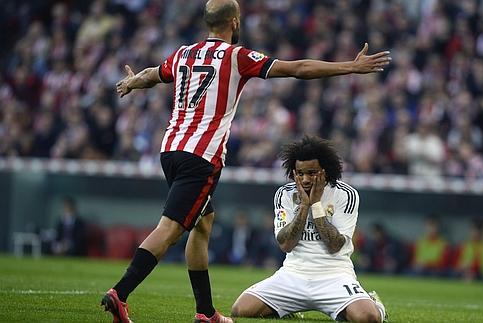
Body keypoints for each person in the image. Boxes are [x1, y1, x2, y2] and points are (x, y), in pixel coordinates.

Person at [101, 0, 392, 322]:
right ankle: (121, 292)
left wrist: (129, 83)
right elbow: (297, 69)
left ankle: (206, 312)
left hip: (170, 149)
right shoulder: (236, 57)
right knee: (170, 229)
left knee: (203, 222)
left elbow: (151, 75)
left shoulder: (183, 53)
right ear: (235, 23)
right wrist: (349, 67)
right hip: (202, 155)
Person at [231, 136, 388, 323]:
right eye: (300, 173)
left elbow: (335, 245)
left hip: (334, 276)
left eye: (312, 173)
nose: (305, 179)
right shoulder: (285, 194)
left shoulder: (346, 194)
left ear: (325, 171)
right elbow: (285, 244)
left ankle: (375, 304)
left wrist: (316, 205)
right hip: (292, 275)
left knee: (368, 318)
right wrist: (304, 207)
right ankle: (287, 310)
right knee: (240, 310)